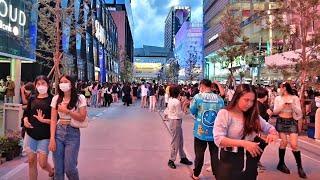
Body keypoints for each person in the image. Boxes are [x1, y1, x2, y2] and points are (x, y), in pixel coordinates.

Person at [213, 84, 278, 180]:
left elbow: (268, 127)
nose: (249, 104)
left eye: (252, 101)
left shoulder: (253, 115)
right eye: (246, 100)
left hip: (250, 162)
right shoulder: (225, 114)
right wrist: (244, 143)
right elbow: (219, 139)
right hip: (229, 162)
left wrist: (273, 133)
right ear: (237, 97)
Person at [49, 75, 87, 180]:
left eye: (65, 81)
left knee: (70, 168)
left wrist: (67, 111)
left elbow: (82, 117)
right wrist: (52, 138)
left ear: (71, 83)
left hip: (73, 133)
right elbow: (53, 120)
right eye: (61, 82)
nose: (63, 84)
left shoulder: (80, 98)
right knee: (58, 170)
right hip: (58, 133)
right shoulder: (56, 98)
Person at [189, 79, 225, 180]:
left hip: (200, 131)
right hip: (215, 132)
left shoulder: (198, 97)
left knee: (199, 154)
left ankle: (196, 174)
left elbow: (192, 110)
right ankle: (217, 174)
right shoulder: (219, 99)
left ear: (202, 86)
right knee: (214, 154)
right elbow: (222, 113)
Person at [22, 75, 54, 179]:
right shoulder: (32, 98)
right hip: (30, 133)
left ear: (48, 85)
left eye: (43, 83)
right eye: (38, 84)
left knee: (42, 163)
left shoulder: (52, 99)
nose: (41, 86)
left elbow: (55, 120)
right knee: (31, 161)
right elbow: (26, 113)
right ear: (35, 86)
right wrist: (25, 120)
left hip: (45, 136)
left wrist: (43, 120)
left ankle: (51, 172)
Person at [273, 82, 306, 178]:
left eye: (281, 87)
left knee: (294, 144)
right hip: (281, 121)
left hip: (291, 121)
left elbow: (299, 112)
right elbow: (275, 111)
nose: (280, 89)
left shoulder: (295, 98)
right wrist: (282, 106)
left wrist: (292, 106)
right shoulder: (278, 98)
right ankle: (281, 164)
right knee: (283, 142)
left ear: (285, 88)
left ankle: (300, 167)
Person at [164, 85, 193, 169]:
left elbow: (169, 110)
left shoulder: (171, 99)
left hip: (174, 121)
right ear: (177, 92)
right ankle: (171, 160)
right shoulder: (176, 102)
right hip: (175, 121)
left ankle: (183, 157)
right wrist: (184, 105)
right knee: (176, 141)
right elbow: (180, 114)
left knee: (180, 140)